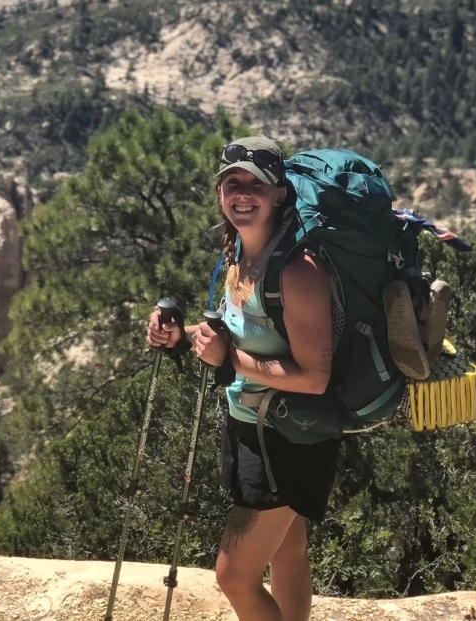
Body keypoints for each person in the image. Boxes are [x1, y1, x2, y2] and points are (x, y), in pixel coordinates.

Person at [145, 136, 340, 621]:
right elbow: (238, 334)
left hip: (286, 438)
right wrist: (181, 336)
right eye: (233, 183)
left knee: (233, 575)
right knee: (287, 551)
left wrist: (231, 363)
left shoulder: (298, 272)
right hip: (254, 425)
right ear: (219, 193)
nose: (243, 193)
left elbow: (315, 377)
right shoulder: (240, 253)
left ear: (280, 195)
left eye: (258, 184)